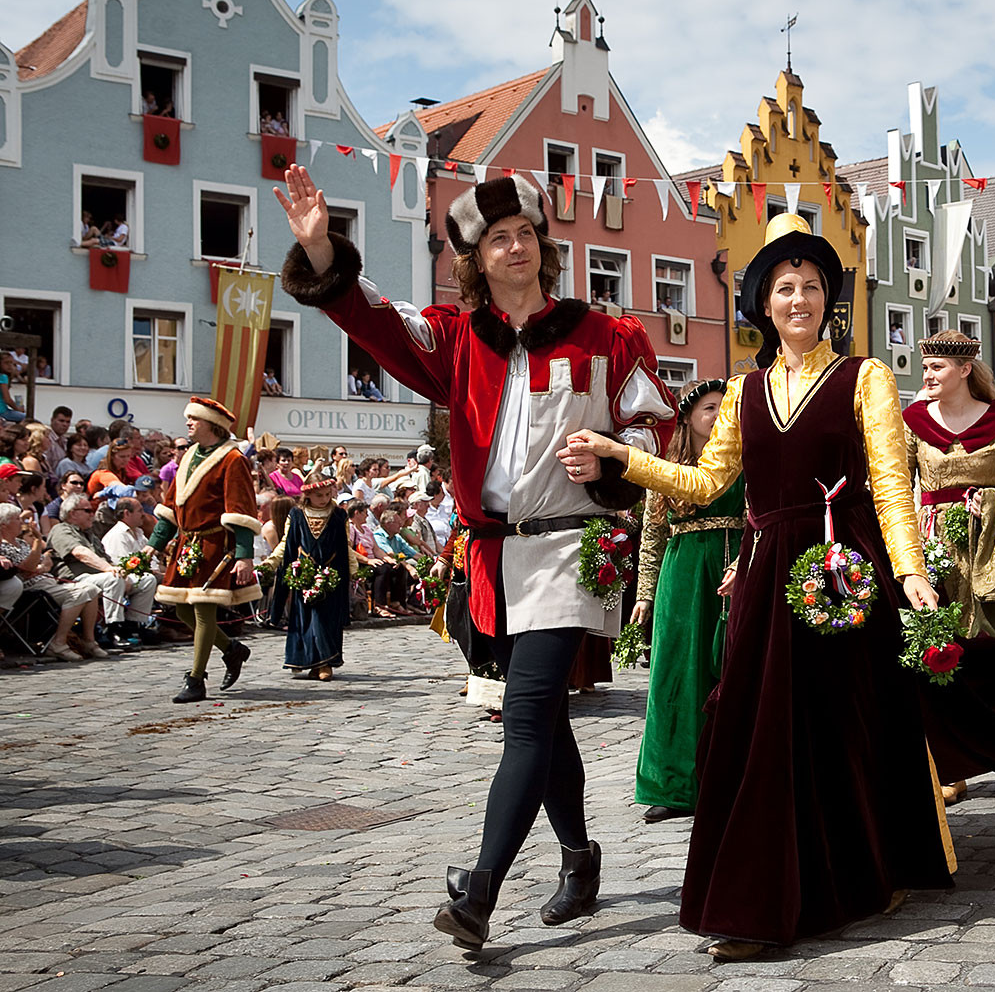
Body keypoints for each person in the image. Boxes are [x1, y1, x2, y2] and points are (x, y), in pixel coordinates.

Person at [276, 165, 675, 950]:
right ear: (477, 258)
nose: (516, 245)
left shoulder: (607, 335)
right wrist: (323, 251)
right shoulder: (455, 339)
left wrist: (614, 456)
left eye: (526, 232)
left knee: (525, 714)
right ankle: (580, 856)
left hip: (572, 546)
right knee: (546, 717)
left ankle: (480, 892)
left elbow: (654, 422)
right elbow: (379, 320)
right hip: (496, 559)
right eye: (499, 237)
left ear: (542, 245)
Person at [561, 213, 950, 958]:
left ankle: (866, 874)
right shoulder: (743, 391)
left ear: (827, 298)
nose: (798, 299)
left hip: (844, 567)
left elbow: (894, 487)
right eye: (784, 288)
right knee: (762, 734)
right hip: (769, 573)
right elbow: (707, 478)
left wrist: (911, 569)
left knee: (845, 725)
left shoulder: (864, 377)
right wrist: (623, 458)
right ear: (764, 305)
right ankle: (756, 897)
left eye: (809, 286)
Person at [904, 330, 995, 805]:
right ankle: (948, 765)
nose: (927, 375)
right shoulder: (911, 422)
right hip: (932, 551)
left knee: (987, 654)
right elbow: (896, 490)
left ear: (964, 370)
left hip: (990, 552)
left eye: (937, 367)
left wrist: (994, 500)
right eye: (925, 368)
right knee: (934, 657)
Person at [631, 379, 745, 824]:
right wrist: (644, 593)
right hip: (681, 575)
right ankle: (674, 786)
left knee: (728, 669)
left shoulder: (742, 461)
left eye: (724, 408)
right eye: (710, 409)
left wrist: (745, 560)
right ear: (689, 418)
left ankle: (731, 778)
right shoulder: (666, 467)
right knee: (676, 676)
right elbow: (653, 534)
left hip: (733, 565)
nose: (718, 416)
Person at [143, 398, 261, 703]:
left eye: (194, 419)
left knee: (203, 610)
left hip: (214, 545)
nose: (188, 424)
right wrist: (151, 546)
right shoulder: (189, 457)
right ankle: (232, 649)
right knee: (181, 607)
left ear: (212, 424)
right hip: (186, 544)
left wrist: (244, 555)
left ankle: (196, 679)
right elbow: (171, 508)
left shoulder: (233, 459)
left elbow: (242, 509)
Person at [260, 477, 359, 680]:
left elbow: (345, 546)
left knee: (325, 619)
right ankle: (309, 660)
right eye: (318, 495)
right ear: (307, 495)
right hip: (304, 573)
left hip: (331, 574)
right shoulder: (297, 514)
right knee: (307, 620)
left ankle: (325, 663)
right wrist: (271, 563)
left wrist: (354, 569)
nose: (323, 499)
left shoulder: (339, 515)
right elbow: (287, 542)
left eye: (327, 494)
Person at [50, 495, 156, 647]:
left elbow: (107, 560)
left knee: (145, 579)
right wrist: (109, 569)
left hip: (100, 577)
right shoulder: (61, 530)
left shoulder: (90, 534)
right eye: (87, 511)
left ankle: (135, 625)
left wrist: (121, 572)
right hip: (75, 579)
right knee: (113, 578)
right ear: (72, 513)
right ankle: (114, 629)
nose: (92, 514)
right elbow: (80, 553)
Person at [0, 502, 100, 661]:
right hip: (31, 589)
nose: (22, 522)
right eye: (17, 519)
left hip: (47, 581)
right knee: (80, 593)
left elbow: (47, 562)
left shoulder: (23, 543)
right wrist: (38, 542)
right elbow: (28, 569)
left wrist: (41, 566)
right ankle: (58, 643)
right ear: (4, 525)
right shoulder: (4, 547)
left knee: (92, 589)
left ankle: (89, 640)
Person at [0, 354, 27, 424]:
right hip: (2, 411)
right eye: (6, 363)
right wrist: (17, 409)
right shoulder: (3, 377)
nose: (9, 365)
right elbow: (7, 399)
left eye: (11, 363)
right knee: (27, 419)